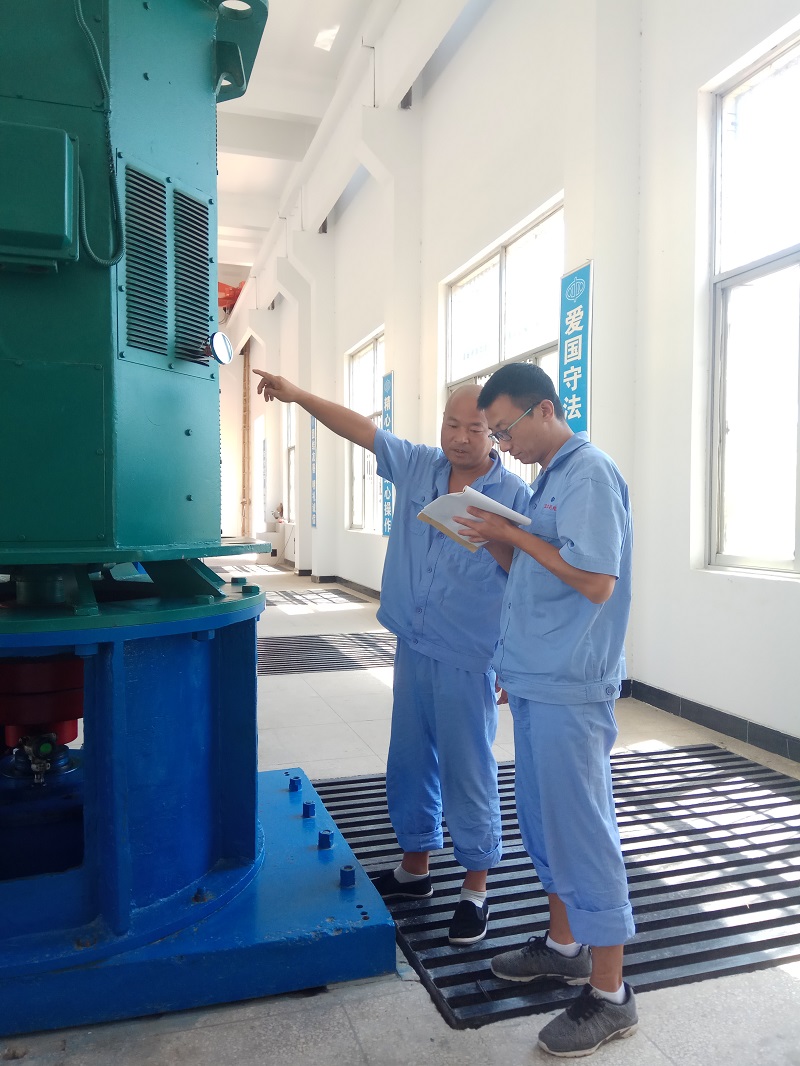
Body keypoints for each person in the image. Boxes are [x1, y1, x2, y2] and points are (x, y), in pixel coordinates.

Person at [253, 369, 531, 945]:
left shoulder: (513, 496)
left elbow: (527, 582)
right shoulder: (420, 467)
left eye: (474, 428)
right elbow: (360, 429)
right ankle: (415, 868)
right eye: (451, 424)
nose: (459, 437)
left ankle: (476, 888)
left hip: (468, 654)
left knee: (468, 768)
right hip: (413, 641)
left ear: (495, 434)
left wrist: (496, 541)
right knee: (409, 759)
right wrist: (298, 394)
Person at [455, 362, 636, 1058]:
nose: (503, 445)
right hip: (536, 675)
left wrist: (520, 536)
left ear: (545, 410)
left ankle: (611, 995)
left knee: (582, 829)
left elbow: (595, 580)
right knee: (545, 822)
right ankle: (565, 948)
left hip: (572, 684)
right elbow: (537, 576)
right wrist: (500, 542)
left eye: (504, 430)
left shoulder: (589, 474)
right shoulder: (549, 480)